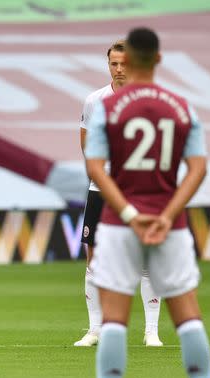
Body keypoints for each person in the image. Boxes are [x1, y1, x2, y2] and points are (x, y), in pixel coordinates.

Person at [75, 28, 210, 378]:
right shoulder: (181, 106)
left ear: (129, 61)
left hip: (120, 223)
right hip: (169, 222)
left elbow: (95, 167)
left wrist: (128, 212)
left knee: (115, 318)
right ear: (156, 60)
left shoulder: (107, 107)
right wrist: (166, 212)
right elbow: (198, 169)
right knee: (188, 316)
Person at [75, 39, 164, 348]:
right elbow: (86, 142)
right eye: (114, 63)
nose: (119, 69)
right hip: (101, 190)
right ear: (108, 65)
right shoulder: (93, 101)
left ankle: (151, 331)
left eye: (125, 63)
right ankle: (95, 329)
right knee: (94, 257)